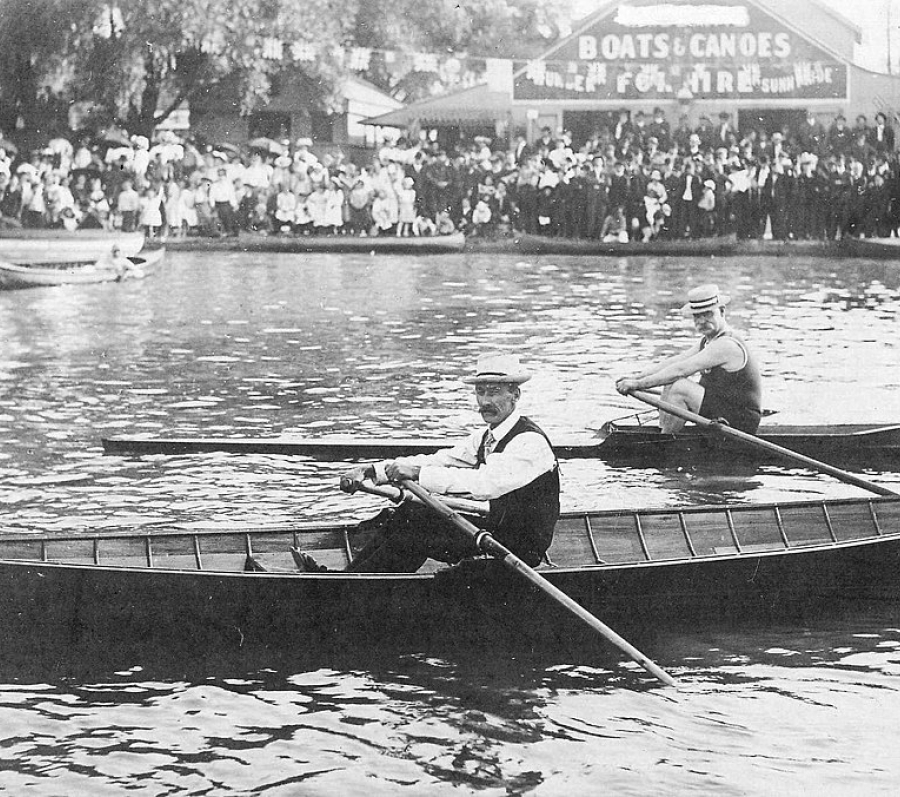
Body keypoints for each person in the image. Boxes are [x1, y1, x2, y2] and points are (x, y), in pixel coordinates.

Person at [293, 352, 560, 573]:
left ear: (515, 395)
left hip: (519, 546)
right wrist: (374, 471)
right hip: (493, 529)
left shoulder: (530, 443)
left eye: (495, 392)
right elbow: (442, 460)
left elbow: (484, 484)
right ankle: (349, 580)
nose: (485, 401)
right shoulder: (486, 436)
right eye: (481, 392)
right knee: (409, 514)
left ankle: (352, 590)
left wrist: (418, 473)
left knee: (413, 535)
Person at [615, 284, 762, 434]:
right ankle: (664, 433)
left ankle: (665, 444)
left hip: (740, 422)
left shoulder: (726, 345)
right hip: (723, 412)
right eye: (697, 316)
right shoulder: (708, 341)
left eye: (708, 314)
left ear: (722, 311)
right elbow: (676, 362)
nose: (702, 320)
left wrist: (638, 384)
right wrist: (636, 377)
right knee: (669, 383)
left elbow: (681, 370)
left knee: (680, 388)